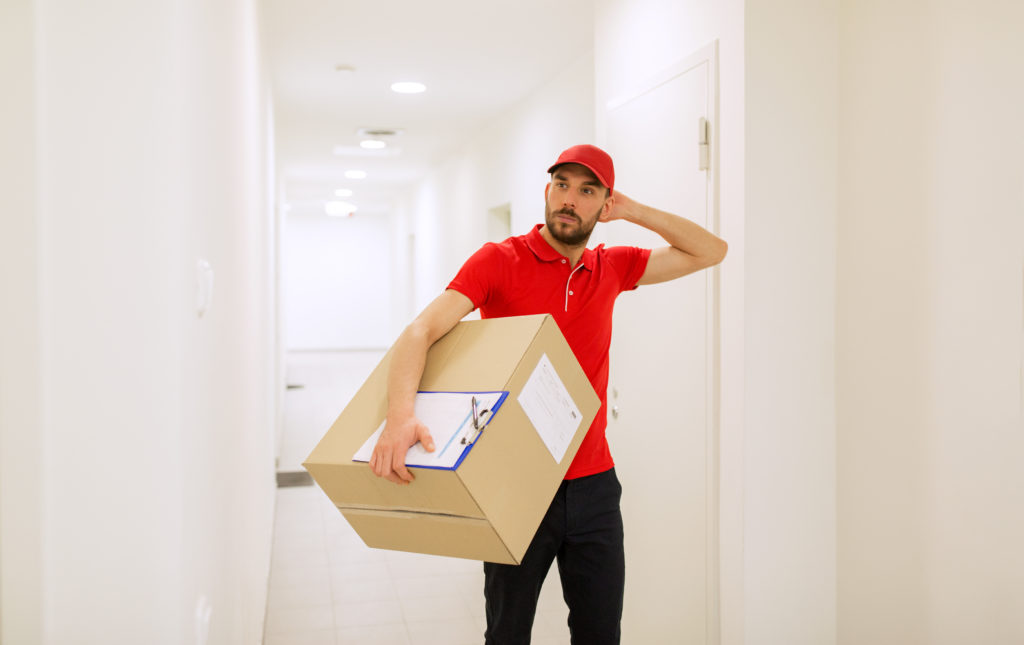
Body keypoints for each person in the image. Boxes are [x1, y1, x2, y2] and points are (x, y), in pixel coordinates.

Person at [369, 144, 727, 644]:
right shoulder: (499, 261)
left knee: (600, 632)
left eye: (587, 191)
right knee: (508, 634)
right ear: (547, 190)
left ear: (604, 205)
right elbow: (419, 332)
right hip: (515, 483)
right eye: (561, 185)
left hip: (595, 484)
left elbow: (711, 251)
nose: (569, 200)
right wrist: (399, 416)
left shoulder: (613, 268)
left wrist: (635, 211)